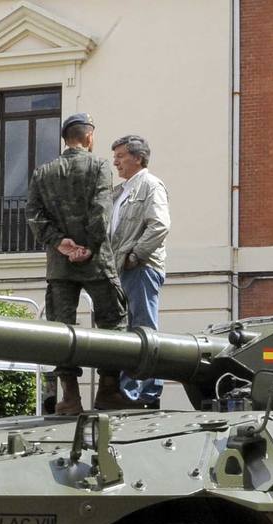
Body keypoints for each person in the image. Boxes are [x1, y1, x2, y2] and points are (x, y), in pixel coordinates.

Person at [26, 111, 131, 414]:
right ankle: (108, 391)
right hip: (97, 261)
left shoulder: (43, 172)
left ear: (66, 139)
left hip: (60, 264)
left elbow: (33, 214)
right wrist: (89, 246)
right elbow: (101, 210)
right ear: (88, 137)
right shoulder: (98, 166)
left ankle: (70, 397)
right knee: (113, 324)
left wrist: (60, 243)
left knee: (61, 329)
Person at [108, 134, 171, 408]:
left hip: (141, 268)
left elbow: (159, 225)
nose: (115, 162)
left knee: (144, 328)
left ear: (137, 157)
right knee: (130, 331)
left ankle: (145, 393)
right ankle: (129, 389)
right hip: (122, 268)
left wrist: (136, 255)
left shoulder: (150, 185)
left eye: (120, 156)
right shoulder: (121, 192)